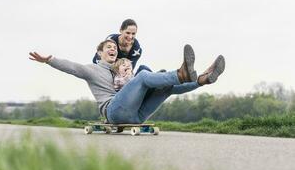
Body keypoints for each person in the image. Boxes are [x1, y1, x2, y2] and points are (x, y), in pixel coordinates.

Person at [29, 40, 225, 124]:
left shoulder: (121, 71)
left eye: (114, 47)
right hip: (113, 111)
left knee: (164, 86)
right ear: (100, 52)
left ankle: (202, 80)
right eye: (108, 47)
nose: (113, 49)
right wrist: (49, 60)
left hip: (137, 117)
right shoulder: (92, 69)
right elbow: (71, 67)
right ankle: (181, 73)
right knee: (144, 76)